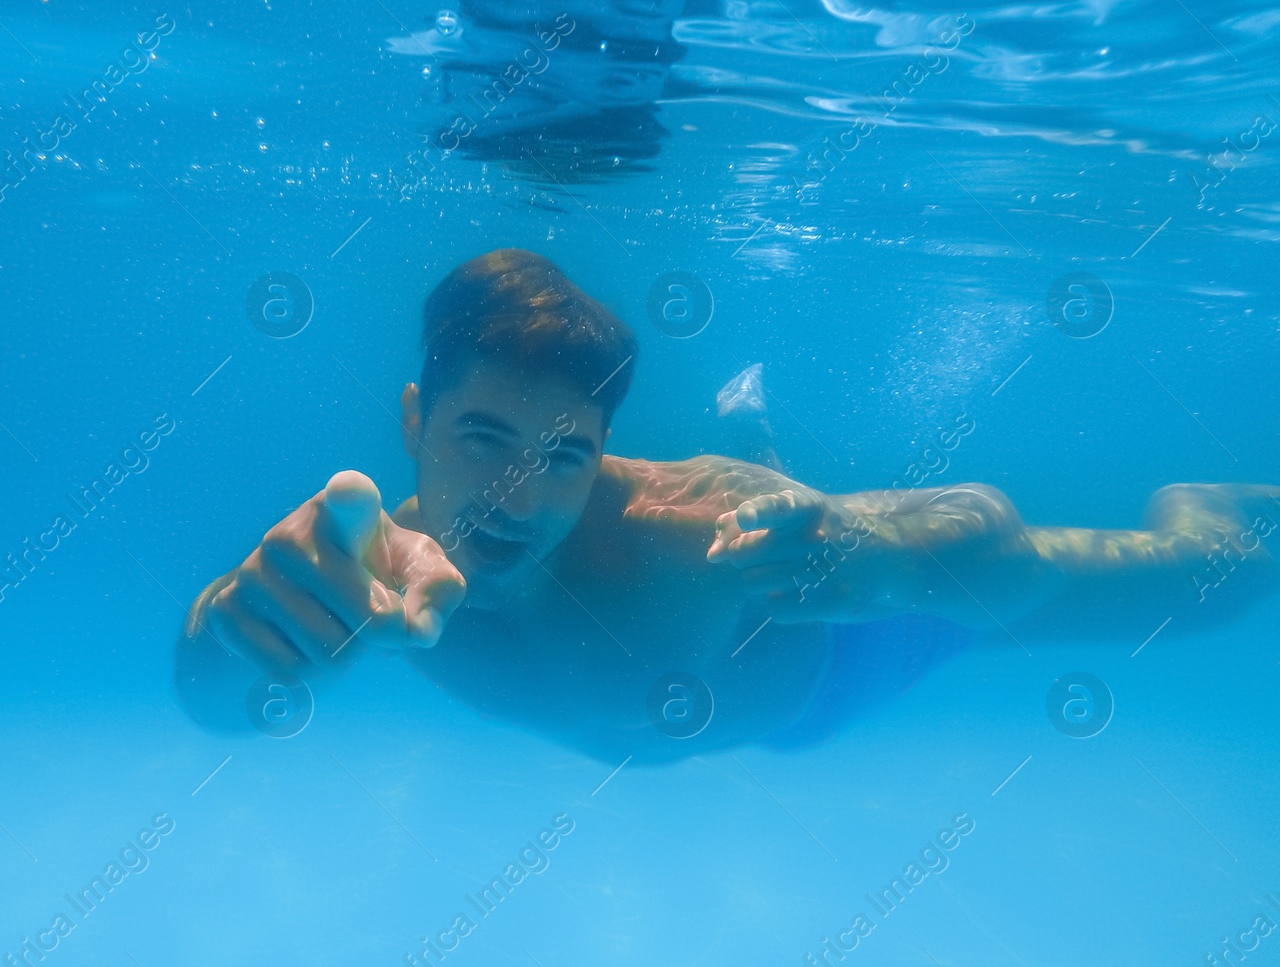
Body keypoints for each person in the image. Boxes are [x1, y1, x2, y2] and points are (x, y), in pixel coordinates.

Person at [175, 249, 1277, 761]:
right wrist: (235, 626)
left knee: (1212, 586)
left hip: (839, 660)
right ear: (415, 421)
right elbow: (213, 704)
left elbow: (983, 530)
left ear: (607, 454)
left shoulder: (693, 531)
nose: (515, 497)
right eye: (482, 440)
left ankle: (1228, 504)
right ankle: (749, 417)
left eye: (563, 455)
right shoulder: (360, 559)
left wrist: (879, 558)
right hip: (708, 693)